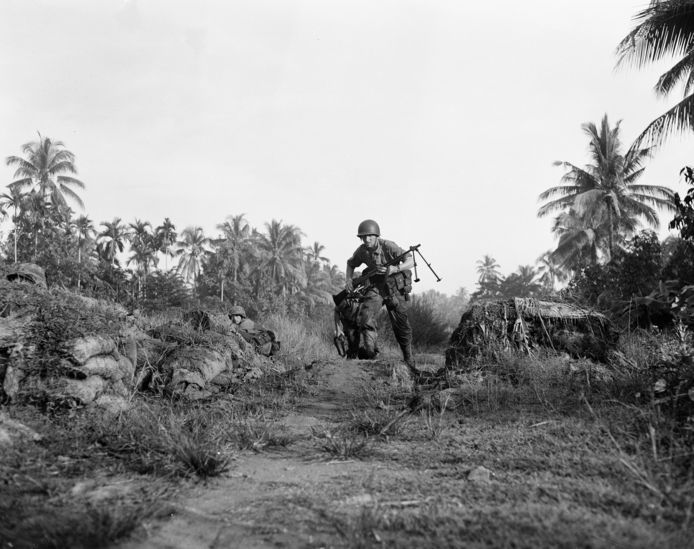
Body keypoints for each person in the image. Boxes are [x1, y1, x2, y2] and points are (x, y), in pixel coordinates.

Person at [345, 219, 416, 369]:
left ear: (376, 235)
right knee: (365, 316)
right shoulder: (362, 251)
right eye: (363, 237)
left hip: (395, 288)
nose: (366, 239)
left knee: (401, 325)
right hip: (376, 287)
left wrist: (395, 269)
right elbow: (350, 263)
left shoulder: (389, 246)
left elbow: (410, 261)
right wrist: (348, 280)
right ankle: (372, 355)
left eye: (369, 236)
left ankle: (409, 361)